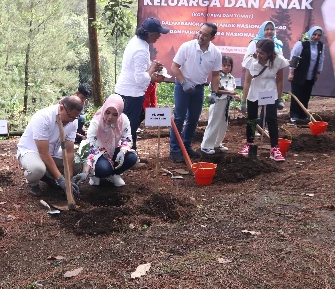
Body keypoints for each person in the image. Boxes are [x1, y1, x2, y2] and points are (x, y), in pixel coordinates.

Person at [169, 22, 222, 163]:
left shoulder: (215, 52)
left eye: (205, 35)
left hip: (199, 88)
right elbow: (175, 66)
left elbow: (216, 75)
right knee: (179, 118)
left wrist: (214, 93)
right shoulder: (187, 47)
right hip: (182, 86)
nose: (201, 36)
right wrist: (183, 82)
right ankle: (174, 150)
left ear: (212, 37)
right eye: (200, 33)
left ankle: (186, 146)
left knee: (193, 119)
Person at [115, 17, 170, 150]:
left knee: (129, 126)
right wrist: (152, 69)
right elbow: (140, 79)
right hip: (132, 94)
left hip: (128, 90)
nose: (159, 37)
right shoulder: (140, 49)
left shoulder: (138, 41)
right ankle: (128, 156)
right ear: (150, 34)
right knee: (130, 126)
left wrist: (153, 70)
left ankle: (131, 154)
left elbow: (139, 70)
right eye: (158, 34)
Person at [16, 96, 82, 197]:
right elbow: (43, 153)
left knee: (78, 164)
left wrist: (69, 179)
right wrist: (61, 179)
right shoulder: (44, 117)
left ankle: (49, 177)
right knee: (37, 169)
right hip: (32, 151)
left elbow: (69, 151)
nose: (72, 121)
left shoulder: (73, 121)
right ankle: (33, 182)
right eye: (70, 117)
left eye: (75, 118)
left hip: (53, 153)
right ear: (61, 108)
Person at [71, 94, 138, 187]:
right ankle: (95, 175)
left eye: (115, 114)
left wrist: (123, 151)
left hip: (115, 148)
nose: (110, 117)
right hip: (97, 150)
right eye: (107, 112)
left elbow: (127, 138)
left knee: (132, 158)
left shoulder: (123, 120)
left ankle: (114, 174)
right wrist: (85, 171)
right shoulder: (96, 122)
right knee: (103, 169)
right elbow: (89, 146)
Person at [239, 39, 288, 162]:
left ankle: (274, 148)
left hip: (269, 89)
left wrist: (280, 98)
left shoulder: (278, 60)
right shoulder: (251, 60)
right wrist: (243, 100)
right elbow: (247, 81)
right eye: (258, 52)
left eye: (262, 53)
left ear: (270, 54)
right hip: (255, 89)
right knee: (252, 119)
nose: (258, 55)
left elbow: (280, 80)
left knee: (271, 119)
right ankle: (249, 144)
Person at [245, 21, 285, 132]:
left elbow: (279, 63)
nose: (269, 31)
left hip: (270, 82)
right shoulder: (254, 43)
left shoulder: (277, 43)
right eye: (266, 29)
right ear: (262, 30)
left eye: (271, 29)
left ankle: (262, 128)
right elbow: (248, 61)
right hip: (257, 81)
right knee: (254, 109)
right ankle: (251, 138)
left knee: (268, 108)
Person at [200, 56, 239, 154]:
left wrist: (235, 96)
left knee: (223, 124)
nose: (226, 67)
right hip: (217, 102)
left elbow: (232, 90)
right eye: (224, 65)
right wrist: (229, 92)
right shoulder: (217, 76)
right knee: (214, 123)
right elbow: (215, 89)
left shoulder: (231, 78)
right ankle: (206, 145)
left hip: (226, 102)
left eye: (229, 65)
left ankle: (217, 143)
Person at [288, 26, 325, 122]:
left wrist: (317, 72)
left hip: (311, 75)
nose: (316, 37)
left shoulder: (320, 45)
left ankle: (303, 115)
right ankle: (294, 115)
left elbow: (321, 60)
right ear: (310, 34)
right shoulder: (301, 44)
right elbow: (294, 58)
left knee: (306, 95)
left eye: (319, 35)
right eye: (314, 34)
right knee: (297, 94)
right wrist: (291, 72)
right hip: (299, 74)